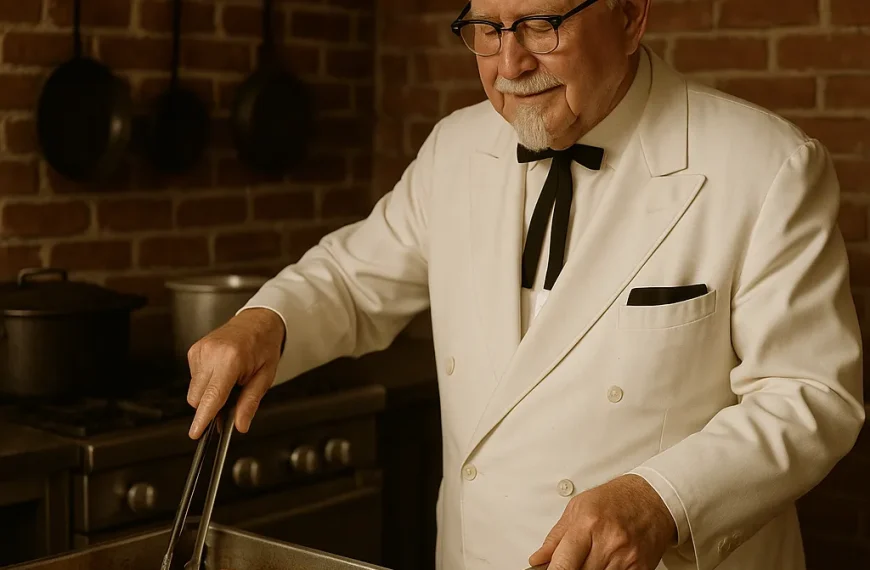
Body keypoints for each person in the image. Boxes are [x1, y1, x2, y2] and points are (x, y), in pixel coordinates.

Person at [184, 0, 866, 569]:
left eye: (541, 24)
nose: (510, 65)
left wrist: (662, 497)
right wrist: (266, 319)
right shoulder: (455, 148)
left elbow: (809, 394)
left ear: (631, 17)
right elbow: (351, 279)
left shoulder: (765, 165)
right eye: (487, 29)